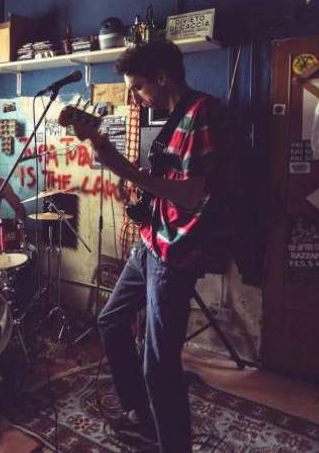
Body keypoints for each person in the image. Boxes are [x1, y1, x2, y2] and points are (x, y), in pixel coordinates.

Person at [66, 40, 222, 453]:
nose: (134, 97)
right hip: (150, 242)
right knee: (110, 321)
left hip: (175, 253)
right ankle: (141, 413)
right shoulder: (170, 120)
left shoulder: (200, 113)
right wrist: (101, 148)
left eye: (137, 87)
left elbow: (191, 193)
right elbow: (161, 185)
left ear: (163, 78)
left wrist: (132, 174)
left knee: (159, 364)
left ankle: (173, 444)